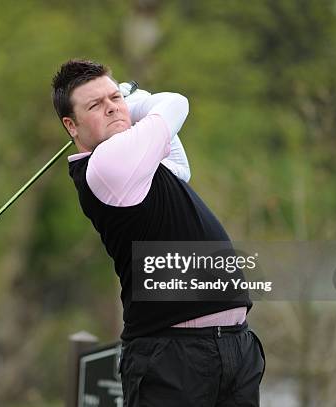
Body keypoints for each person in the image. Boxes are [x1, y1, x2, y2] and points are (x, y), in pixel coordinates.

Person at [51, 59, 265, 406]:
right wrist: (127, 104)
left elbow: (181, 168)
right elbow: (176, 103)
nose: (109, 108)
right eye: (95, 105)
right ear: (71, 126)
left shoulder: (139, 165)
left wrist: (117, 108)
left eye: (113, 98)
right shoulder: (107, 166)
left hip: (231, 347)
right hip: (173, 356)